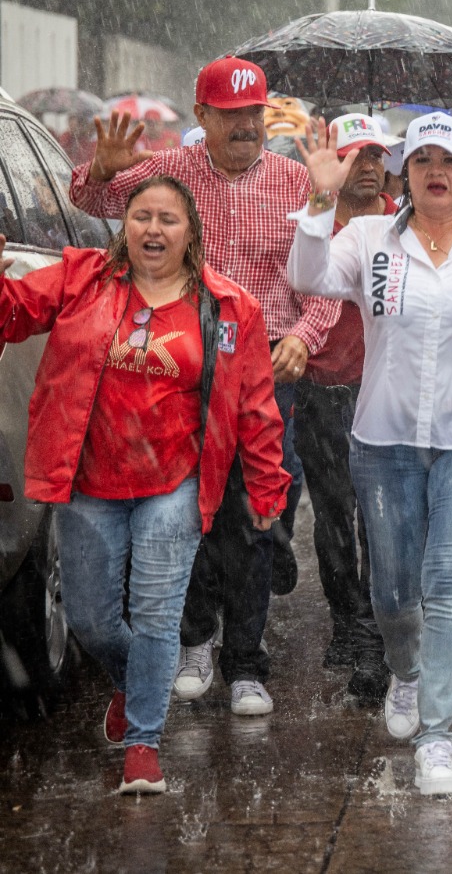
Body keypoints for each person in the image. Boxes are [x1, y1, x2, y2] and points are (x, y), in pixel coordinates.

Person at [71, 57, 341, 718]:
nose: (246, 127)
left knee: (252, 517)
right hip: (181, 367)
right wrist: (104, 167)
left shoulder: (295, 182)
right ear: (203, 118)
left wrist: (303, 335)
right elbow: (97, 200)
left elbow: (323, 283)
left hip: (262, 373)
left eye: (255, 114)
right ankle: (195, 640)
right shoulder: (172, 178)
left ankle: (247, 664)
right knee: (185, 512)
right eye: (231, 115)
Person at [0, 176, 287, 795]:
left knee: (158, 617)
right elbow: (12, 313)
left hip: (174, 486)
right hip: (87, 483)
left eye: (168, 220)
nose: (153, 230)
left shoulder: (229, 308)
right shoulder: (83, 279)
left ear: (192, 234)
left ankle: (143, 745)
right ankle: (133, 683)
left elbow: (256, 408)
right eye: (141, 217)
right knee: (91, 619)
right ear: (123, 227)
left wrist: (267, 487)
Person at [289, 112, 452, 796]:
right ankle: (406, 671)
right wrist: (319, 200)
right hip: (385, 439)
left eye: (449, 160)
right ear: (404, 173)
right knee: (395, 595)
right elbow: (307, 276)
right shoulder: (369, 237)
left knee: (447, 587)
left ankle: (438, 735)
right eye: (422, 158)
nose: (435, 170)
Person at [294, 114, 401, 704]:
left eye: (375, 155)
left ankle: (380, 633)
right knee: (335, 516)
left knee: (382, 517)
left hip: (384, 390)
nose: (365, 165)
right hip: (320, 387)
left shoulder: (406, 222)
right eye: (355, 153)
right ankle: (349, 624)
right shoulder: (312, 220)